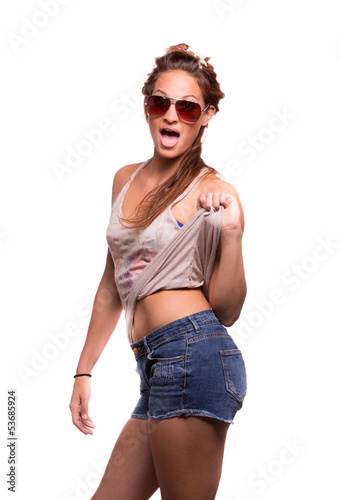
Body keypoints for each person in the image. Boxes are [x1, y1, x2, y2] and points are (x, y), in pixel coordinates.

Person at [69, 43, 248, 500]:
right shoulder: (123, 178)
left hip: (194, 354)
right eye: (160, 102)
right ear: (147, 106)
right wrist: (83, 372)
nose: (172, 116)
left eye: (187, 108)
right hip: (153, 364)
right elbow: (112, 285)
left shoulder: (212, 189)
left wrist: (232, 234)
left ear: (206, 115)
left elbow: (226, 310)